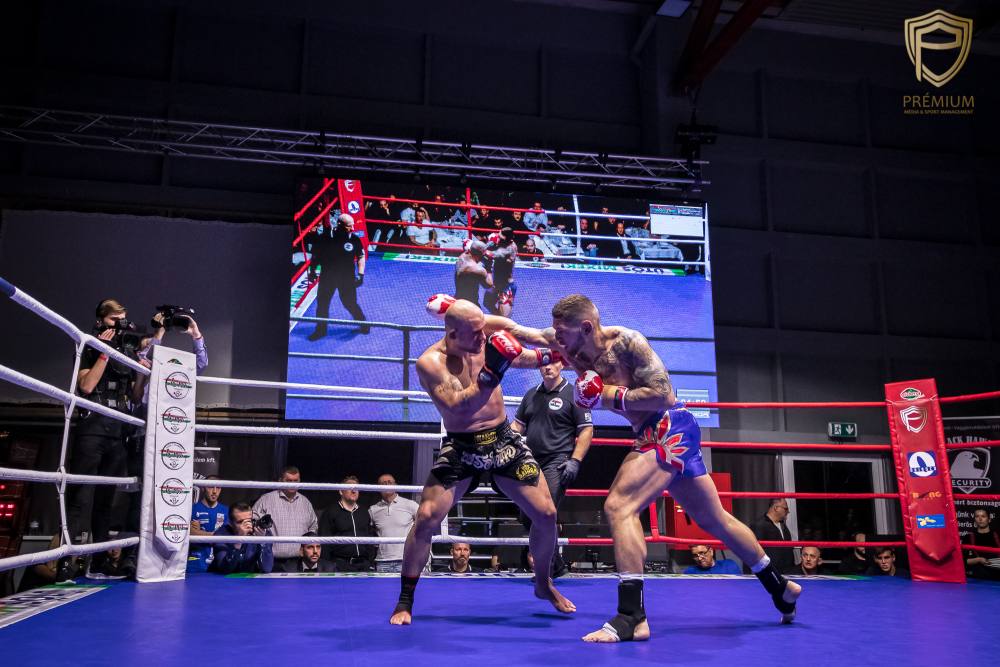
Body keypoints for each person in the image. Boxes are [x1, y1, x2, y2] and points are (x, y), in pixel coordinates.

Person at [538, 294, 801, 642]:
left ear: (585, 327)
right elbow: (521, 335)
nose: (556, 338)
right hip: (661, 432)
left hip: (667, 427)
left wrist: (609, 395)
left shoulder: (627, 342)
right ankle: (779, 586)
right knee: (715, 520)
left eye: (562, 331)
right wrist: (474, 327)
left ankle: (632, 616)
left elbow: (662, 394)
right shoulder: (570, 348)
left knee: (620, 506)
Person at [389, 299, 575, 625]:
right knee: (427, 518)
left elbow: (524, 350)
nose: (482, 337)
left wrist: (560, 353)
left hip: (503, 440)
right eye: (475, 334)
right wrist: (491, 373)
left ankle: (543, 582)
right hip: (462, 446)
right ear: (452, 334)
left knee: (547, 514)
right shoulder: (431, 363)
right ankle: (405, 600)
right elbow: (458, 406)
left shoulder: (481, 329)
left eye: (482, 331)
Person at [61, 298, 144, 580]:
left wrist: (142, 373)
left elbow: (135, 397)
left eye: (122, 321)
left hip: (118, 430)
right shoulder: (88, 344)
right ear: (100, 320)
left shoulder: (128, 351)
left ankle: (98, 561)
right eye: (113, 320)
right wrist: (105, 352)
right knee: (79, 496)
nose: (118, 326)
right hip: (92, 426)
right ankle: (66, 561)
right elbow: (86, 386)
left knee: (106, 499)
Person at [512, 357, 593, 577]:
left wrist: (575, 460)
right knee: (526, 514)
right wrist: (500, 440)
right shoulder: (531, 394)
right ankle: (556, 564)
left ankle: (546, 570)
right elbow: (518, 426)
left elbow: (586, 429)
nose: (547, 367)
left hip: (558, 462)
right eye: (543, 363)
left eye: (553, 362)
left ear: (562, 365)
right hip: (530, 461)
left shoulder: (574, 394)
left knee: (543, 511)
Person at [306, 213, 368, 340]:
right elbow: (315, 256)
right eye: (349, 226)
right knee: (322, 304)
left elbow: (361, 256)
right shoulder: (324, 238)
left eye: (352, 225)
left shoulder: (354, 239)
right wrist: (312, 271)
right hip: (327, 277)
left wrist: (361, 274)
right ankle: (320, 330)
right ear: (339, 225)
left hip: (346, 278)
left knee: (349, 303)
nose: (352, 228)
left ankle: (363, 322)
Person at [252, 466, 319, 569]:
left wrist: (307, 547)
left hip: (299, 561)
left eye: (295, 481)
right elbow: (253, 521)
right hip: (272, 561)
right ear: (280, 481)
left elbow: (313, 527)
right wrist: (262, 535)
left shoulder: (306, 503)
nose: (292, 484)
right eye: (289, 481)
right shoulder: (266, 500)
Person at [319, 475, 374, 571]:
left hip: (363, 564)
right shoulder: (330, 512)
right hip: (340, 565)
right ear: (341, 491)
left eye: (357, 488)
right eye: (350, 488)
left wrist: (370, 560)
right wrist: (328, 565)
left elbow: (370, 537)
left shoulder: (364, 512)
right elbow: (324, 541)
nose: (354, 491)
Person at [369, 473, 419, 573]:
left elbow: (425, 526)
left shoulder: (410, 505)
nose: (387, 485)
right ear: (378, 487)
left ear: (395, 485)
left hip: (406, 560)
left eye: (389, 482)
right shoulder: (373, 510)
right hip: (382, 561)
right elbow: (368, 531)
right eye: (383, 483)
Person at [210, 502, 274, 574]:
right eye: (240, 522)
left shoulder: (261, 533)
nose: (247, 525)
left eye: (249, 520)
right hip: (220, 579)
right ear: (230, 523)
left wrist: (262, 541)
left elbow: (266, 568)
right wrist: (238, 540)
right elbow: (225, 569)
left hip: (248, 578)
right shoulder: (221, 535)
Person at [188, 476, 228, 572]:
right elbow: (188, 532)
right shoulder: (191, 509)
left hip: (219, 563)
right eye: (210, 487)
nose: (214, 491)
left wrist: (199, 533)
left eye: (218, 488)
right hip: (195, 563)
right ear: (203, 488)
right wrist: (217, 535)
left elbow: (227, 536)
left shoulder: (226, 511)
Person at [751, 499, 795, 573]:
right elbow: (754, 552)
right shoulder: (759, 526)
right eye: (785, 508)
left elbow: (788, 550)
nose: (788, 511)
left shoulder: (783, 525)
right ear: (776, 508)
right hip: (770, 573)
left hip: (787, 572)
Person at [483, 227, 517, 317]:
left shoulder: (511, 248)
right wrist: (489, 242)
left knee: (505, 316)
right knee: (487, 303)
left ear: (506, 238)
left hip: (506, 285)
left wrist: (480, 249)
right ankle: (498, 320)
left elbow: (493, 254)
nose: (498, 236)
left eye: (500, 235)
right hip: (496, 283)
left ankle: (502, 321)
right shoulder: (501, 242)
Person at [453, 239, 493, 306]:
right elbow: (489, 285)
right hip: (470, 304)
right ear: (481, 254)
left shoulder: (461, 257)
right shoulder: (479, 270)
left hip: (458, 300)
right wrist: (489, 268)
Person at [964, 508, 1000, 581]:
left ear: (989, 520)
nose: (980, 519)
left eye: (983, 516)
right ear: (975, 520)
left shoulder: (998, 535)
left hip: (997, 577)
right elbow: (963, 561)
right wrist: (978, 560)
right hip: (978, 579)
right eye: (977, 516)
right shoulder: (968, 537)